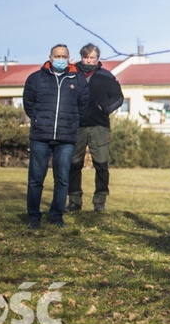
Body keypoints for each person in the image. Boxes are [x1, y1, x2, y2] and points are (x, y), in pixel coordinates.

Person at [23, 44, 89, 229]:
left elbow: (82, 105)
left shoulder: (78, 79)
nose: (61, 59)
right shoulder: (35, 79)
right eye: (57, 56)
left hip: (66, 138)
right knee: (36, 179)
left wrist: (71, 123)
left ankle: (57, 216)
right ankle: (33, 218)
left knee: (62, 179)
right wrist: (38, 121)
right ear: (50, 57)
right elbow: (29, 104)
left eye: (64, 56)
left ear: (69, 58)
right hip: (40, 137)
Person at [66, 43, 124, 213]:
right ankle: (74, 200)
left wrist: (104, 107)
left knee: (101, 165)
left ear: (98, 59)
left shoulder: (106, 76)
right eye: (86, 57)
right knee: (73, 165)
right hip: (75, 126)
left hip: (99, 127)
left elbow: (118, 98)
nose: (89, 60)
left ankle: (100, 201)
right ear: (81, 56)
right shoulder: (71, 74)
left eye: (92, 57)